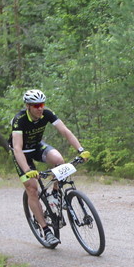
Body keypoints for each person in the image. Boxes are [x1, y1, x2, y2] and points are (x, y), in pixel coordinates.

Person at [10, 89, 90, 246]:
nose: (40, 108)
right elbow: (17, 148)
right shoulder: (19, 120)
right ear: (28, 106)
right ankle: (46, 231)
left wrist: (81, 150)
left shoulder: (47, 113)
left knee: (59, 160)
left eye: (42, 104)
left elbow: (65, 131)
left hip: (37, 146)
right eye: (36, 105)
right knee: (32, 188)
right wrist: (27, 170)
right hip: (21, 152)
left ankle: (54, 194)